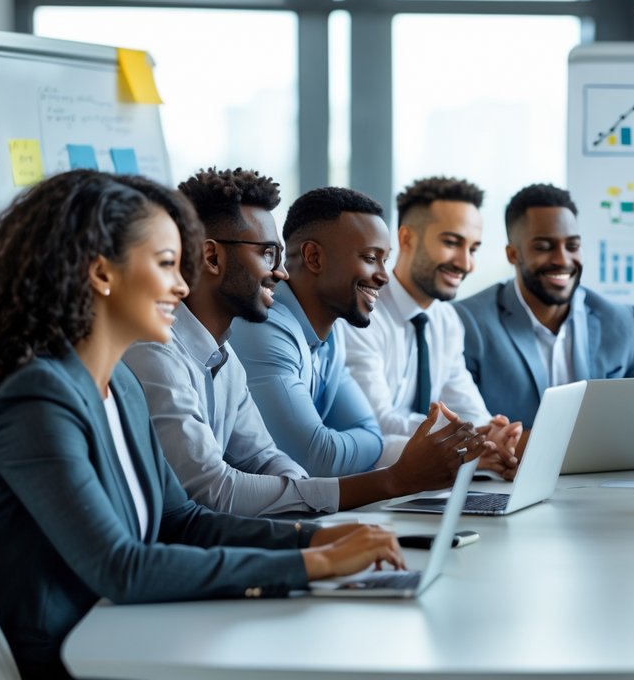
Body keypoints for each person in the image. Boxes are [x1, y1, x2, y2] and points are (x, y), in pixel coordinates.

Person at [0, 170, 405, 680]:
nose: (182, 286)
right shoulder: (35, 399)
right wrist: (313, 563)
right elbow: (122, 567)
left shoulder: (119, 384)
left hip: (129, 640)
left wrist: (317, 537)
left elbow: (184, 520)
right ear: (101, 274)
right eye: (165, 265)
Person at [124, 168, 470, 517]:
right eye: (268, 253)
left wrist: (310, 518)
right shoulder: (157, 353)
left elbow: (265, 458)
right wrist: (393, 481)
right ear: (212, 257)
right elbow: (215, 490)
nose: (281, 272)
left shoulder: (224, 356)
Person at [228, 185, 490, 487]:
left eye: (384, 260)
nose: (384, 276)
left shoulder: (332, 337)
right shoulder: (264, 327)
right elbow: (318, 458)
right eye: (369, 258)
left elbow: (372, 435)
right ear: (313, 257)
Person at [341, 175, 520, 476]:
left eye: (473, 249)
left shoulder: (447, 320)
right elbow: (377, 422)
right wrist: (465, 439)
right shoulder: (361, 314)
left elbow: (467, 404)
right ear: (406, 239)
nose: (465, 263)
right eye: (451, 242)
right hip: (370, 480)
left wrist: (490, 433)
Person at [456, 183, 634, 426]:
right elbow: (461, 434)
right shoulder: (466, 323)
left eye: (572, 246)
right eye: (544, 247)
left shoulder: (624, 322)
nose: (562, 260)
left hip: (608, 455)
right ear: (513, 254)